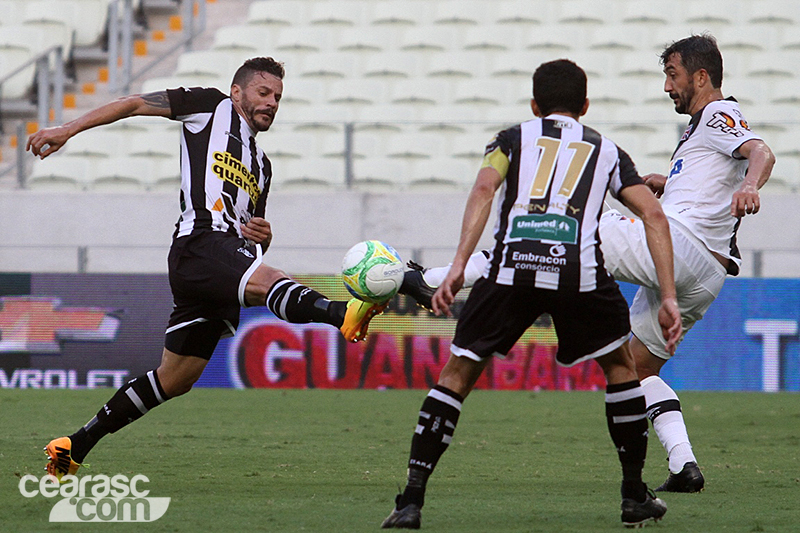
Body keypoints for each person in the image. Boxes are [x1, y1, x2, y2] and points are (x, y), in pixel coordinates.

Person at [398, 34, 776, 494]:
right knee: (638, 370)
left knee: (552, 228)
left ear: (701, 76)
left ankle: (428, 281)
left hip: (679, 247)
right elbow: (705, 186)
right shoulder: (698, 132)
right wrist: (664, 182)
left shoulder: (719, 114)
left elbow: (760, 150)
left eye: (672, 75)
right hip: (707, 273)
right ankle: (684, 465)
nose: (666, 87)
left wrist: (752, 185)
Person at [27, 57, 387, 481]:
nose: (271, 103)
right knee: (270, 279)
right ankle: (342, 314)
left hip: (223, 261)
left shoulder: (262, 165)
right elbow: (132, 104)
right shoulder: (208, 106)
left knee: (175, 379)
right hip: (199, 245)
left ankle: (74, 445)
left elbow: (251, 238)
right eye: (263, 93)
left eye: (277, 97)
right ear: (238, 92)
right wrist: (66, 129)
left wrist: (262, 234)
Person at [382, 59, 682, 529]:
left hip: (510, 269)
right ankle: (632, 495)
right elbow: (655, 217)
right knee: (621, 368)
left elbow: (485, 187)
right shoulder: (607, 151)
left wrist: (459, 266)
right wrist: (667, 295)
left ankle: (411, 500)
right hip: (578, 271)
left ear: (534, 105)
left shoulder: (511, 139)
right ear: (585, 106)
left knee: (458, 373)